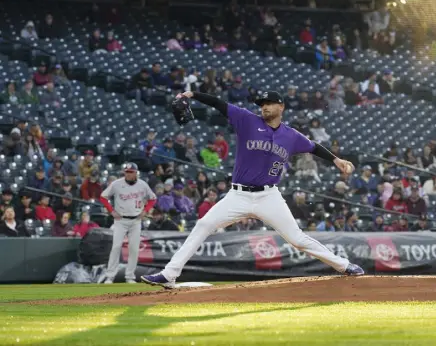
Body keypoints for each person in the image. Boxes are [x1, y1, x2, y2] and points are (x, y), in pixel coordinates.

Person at [142, 90, 363, 288]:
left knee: (297, 238)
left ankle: (345, 266)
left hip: (269, 196)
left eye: (269, 103)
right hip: (238, 195)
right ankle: (169, 274)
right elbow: (219, 103)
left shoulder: (291, 136)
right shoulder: (247, 120)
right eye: (261, 103)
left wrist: (336, 160)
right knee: (203, 225)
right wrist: (193, 95)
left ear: (281, 107)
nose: (264, 106)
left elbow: (314, 147)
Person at [99, 163, 157, 284]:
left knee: (134, 249)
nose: (128, 174)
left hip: (136, 220)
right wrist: (111, 211)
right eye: (127, 172)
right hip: (121, 220)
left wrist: (145, 211)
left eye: (131, 172)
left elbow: (153, 198)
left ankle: (130, 276)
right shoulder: (117, 184)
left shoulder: (142, 184)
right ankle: (110, 276)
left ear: (136, 173)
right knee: (116, 247)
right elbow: (103, 197)